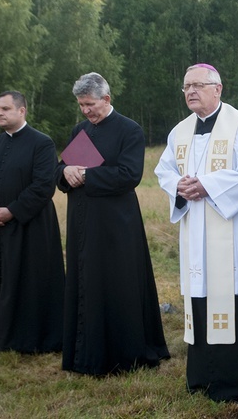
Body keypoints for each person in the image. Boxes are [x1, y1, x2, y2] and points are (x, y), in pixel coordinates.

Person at [154, 63, 238, 401]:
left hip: (236, 238)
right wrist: (179, 185)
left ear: (218, 88)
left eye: (198, 85)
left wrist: (207, 186)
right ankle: (203, 378)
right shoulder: (180, 131)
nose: (191, 91)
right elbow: (163, 170)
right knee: (202, 295)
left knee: (235, 299)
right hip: (198, 236)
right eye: (186, 87)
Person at [56, 72, 169, 375]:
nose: (85, 111)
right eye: (81, 105)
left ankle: (123, 353)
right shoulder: (79, 130)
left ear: (106, 99)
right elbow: (62, 168)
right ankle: (85, 352)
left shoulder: (129, 130)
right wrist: (64, 173)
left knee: (117, 284)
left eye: (90, 104)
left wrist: (87, 176)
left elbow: (129, 174)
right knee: (85, 282)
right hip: (82, 222)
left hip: (116, 225)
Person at [0, 91, 64, 353]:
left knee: (28, 283)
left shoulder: (42, 143)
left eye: (5, 109)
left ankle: (27, 337)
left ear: (22, 111)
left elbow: (44, 186)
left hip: (31, 228)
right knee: (0, 279)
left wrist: (12, 211)